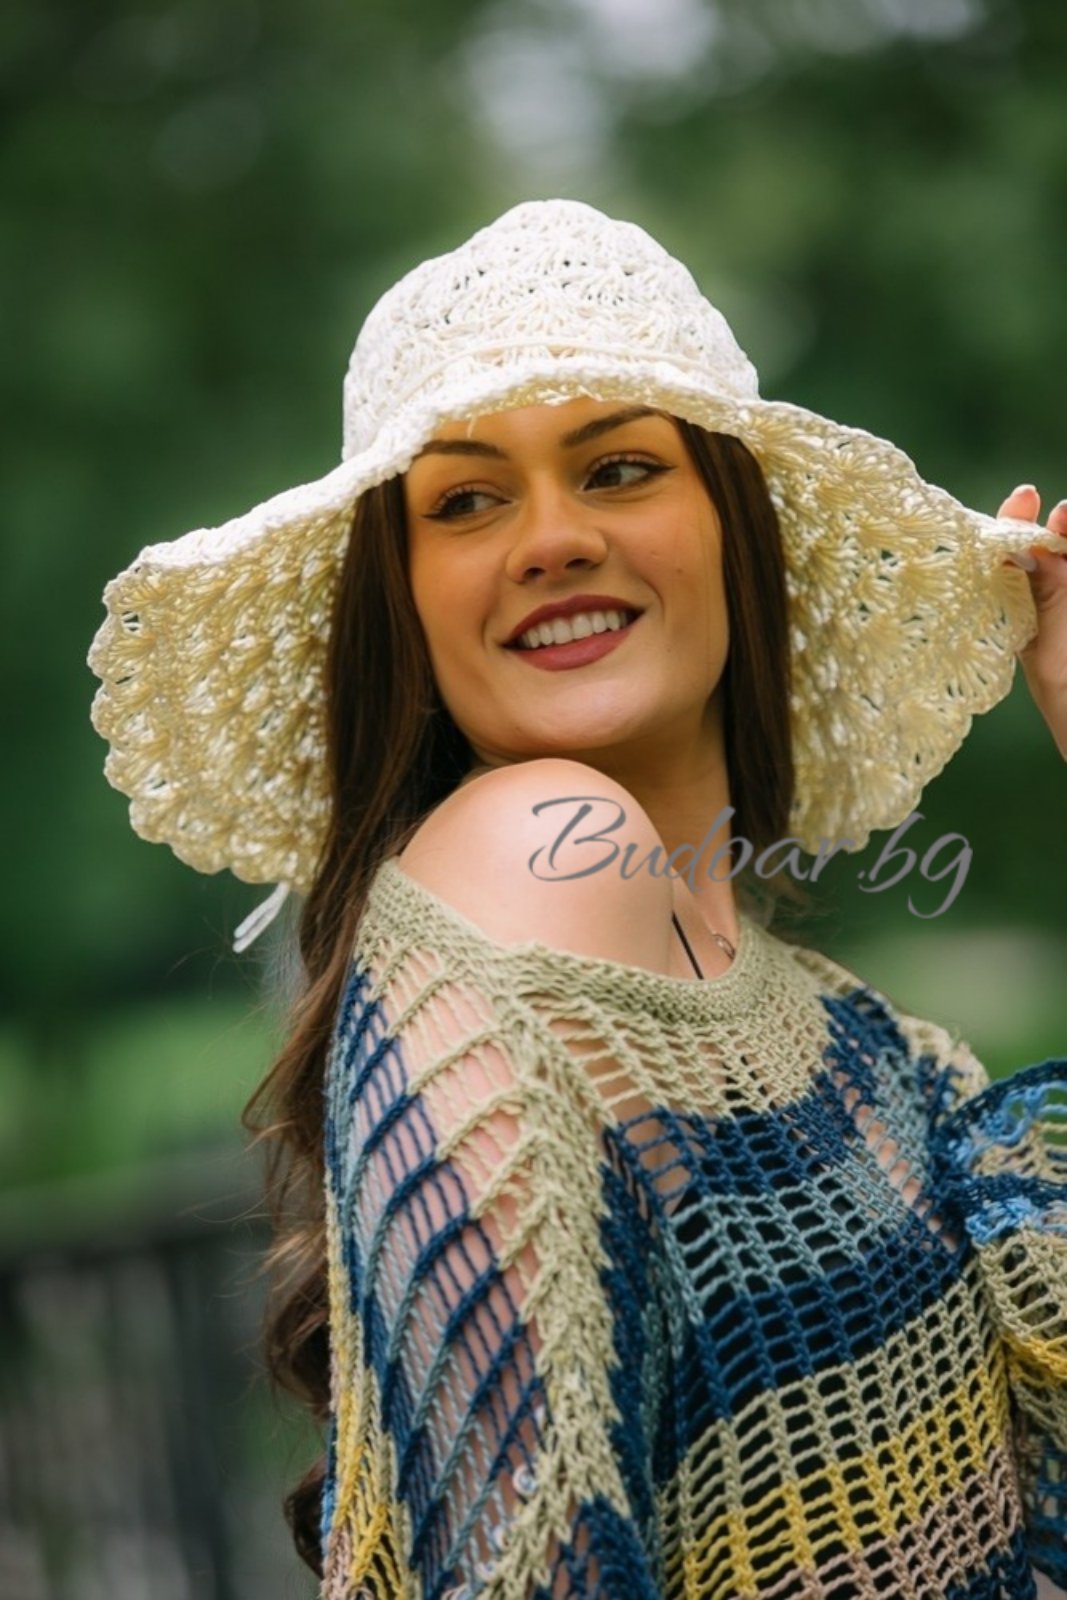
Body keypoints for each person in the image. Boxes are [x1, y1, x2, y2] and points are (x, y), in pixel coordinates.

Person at [87, 200, 1067, 1600]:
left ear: (735, 532)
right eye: (465, 499)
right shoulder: (535, 843)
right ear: (406, 604)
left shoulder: (870, 1046)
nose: (550, 539)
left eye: (618, 468)